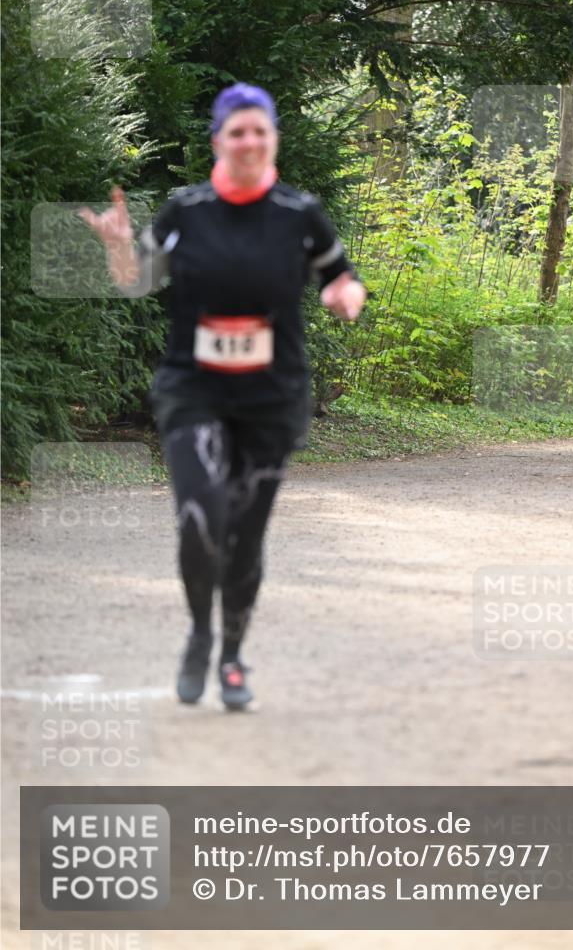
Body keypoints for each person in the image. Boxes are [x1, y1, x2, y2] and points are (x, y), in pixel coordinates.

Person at [80, 83, 366, 710]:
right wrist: (119, 247)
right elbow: (137, 283)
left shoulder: (300, 213)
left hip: (271, 397)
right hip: (195, 390)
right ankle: (199, 633)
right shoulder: (186, 210)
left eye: (259, 130)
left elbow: (341, 276)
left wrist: (344, 296)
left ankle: (233, 655)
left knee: (245, 534)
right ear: (218, 141)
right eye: (237, 131)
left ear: (274, 139)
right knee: (200, 519)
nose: (249, 141)